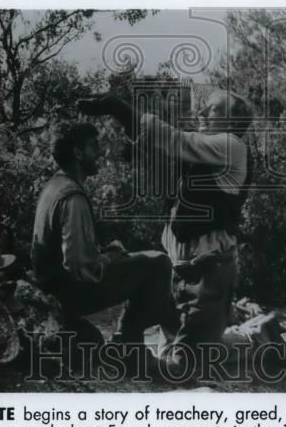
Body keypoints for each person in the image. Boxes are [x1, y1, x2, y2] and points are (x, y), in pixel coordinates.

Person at [79, 90, 253, 383]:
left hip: (206, 277)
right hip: (179, 269)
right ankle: (133, 345)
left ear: (231, 122)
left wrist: (118, 107)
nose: (200, 113)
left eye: (209, 110)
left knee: (181, 368)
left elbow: (173, 140)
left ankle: (255, 338)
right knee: (177, 346)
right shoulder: (208, 148)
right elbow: (164, 146)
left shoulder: (231, 146)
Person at [31, 121, 177, 349]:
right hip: (67, 294)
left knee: (143, 261)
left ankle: (140, 339)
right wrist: (110, 258)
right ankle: (127, 345)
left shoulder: (54, 186)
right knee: (159, 263)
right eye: (93, 146)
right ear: (78, 153)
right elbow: (79, 267)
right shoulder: (73, 198)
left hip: (54, 288)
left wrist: (106, 253)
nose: (100, 152)